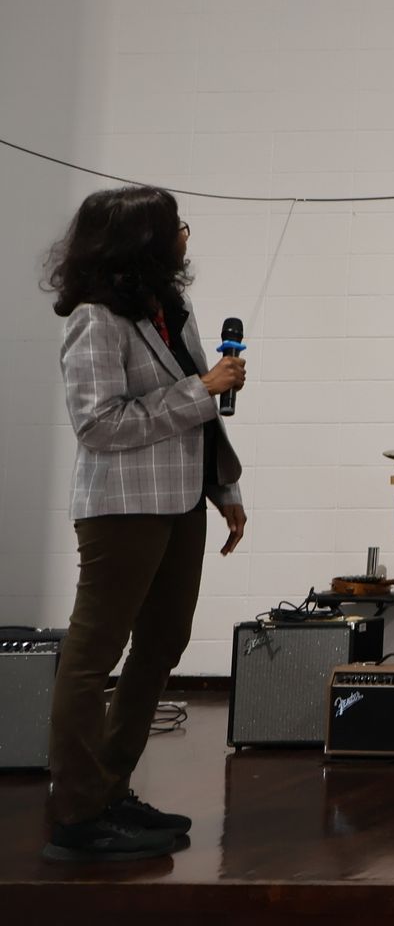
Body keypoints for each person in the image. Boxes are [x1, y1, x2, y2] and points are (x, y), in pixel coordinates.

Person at [40, 186, 248, 862]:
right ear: (142, 243)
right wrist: (201, 390)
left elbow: (199, 413)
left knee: (163, 643)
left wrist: (225, 488)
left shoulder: (169, 310)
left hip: (182, 500)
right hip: (121, 509)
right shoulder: (95, 319)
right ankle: (75, 813)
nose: (185, 236)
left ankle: (111, 788)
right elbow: (98, 425)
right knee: (93, 655)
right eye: (175, 227)